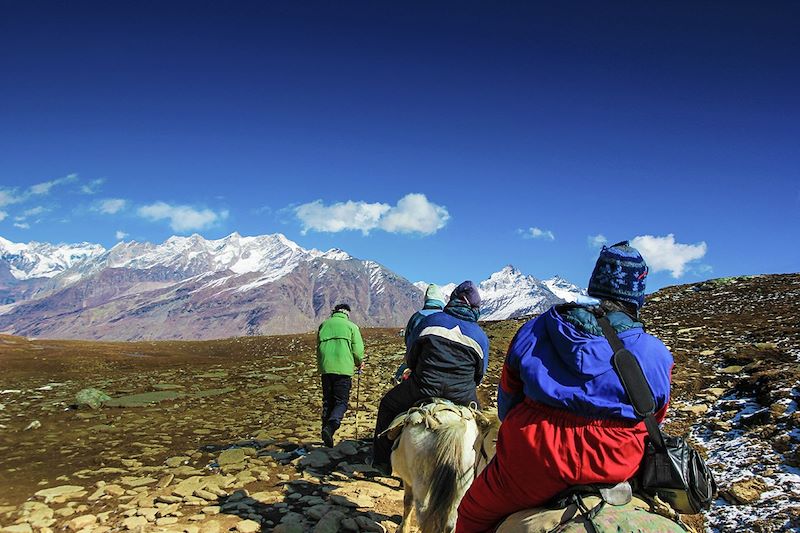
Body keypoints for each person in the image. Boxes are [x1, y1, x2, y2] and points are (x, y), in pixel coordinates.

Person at [456, 241, 674, 532]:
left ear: (595, 282)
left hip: (532, 462)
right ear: (637, 292)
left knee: (472, 512)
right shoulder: (655, 353)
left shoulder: (537, 329)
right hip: (615, 464)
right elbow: (654, 418)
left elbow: (507, 401)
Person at [371, 281, 489, 476]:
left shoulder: (431, 320)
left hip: (423, 387)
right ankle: (479, 473)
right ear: (475, 308)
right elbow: (479, 375)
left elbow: (411, 357)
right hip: (462, 396)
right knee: (483, 427)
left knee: (388, 405)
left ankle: (382, 461)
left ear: (452, 300)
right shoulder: (480, 336)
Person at [316, 303, 365, 447]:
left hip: (326, 369)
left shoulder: (324, 325)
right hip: (343, 370)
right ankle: (331, 427)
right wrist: (359, 363)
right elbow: (357, 351)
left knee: (327, 402)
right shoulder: (351, 327)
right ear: (347, 313)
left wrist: (321, 366)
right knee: (341, 402)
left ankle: (326, 434)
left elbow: (318, 349)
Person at [393, 284, 447, 383]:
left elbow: (408, 340)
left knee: (395, 389)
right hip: (442, 366)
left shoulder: (416, 317)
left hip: (418, 365)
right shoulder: (447, 318)